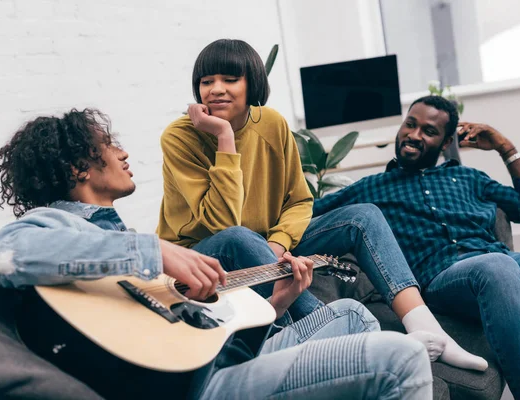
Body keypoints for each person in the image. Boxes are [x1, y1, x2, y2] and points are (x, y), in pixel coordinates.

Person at [0, 108, 433, 399]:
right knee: (402, 358)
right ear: (79, 166)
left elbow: (203, 337)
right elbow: (7, 254)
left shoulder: (116, 256)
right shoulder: (57, 225)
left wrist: (278, 303)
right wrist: (156, 250)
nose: (122, 152)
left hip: (208, 363)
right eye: (108, 144)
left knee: (351, 313)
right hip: (194, 389)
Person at [157, 38, 487, 371]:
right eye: (206, 81)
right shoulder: (179, 137)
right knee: (240, 237)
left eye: (230, 80)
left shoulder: (271, 124)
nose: (216, 89)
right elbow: (222, 223)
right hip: (204, 257)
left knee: (363, 217)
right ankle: (345, 336)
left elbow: (300, 200)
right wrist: (224, 139)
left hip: (267, 243)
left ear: (251, 83)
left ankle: (427, 329)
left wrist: (278, 242)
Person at [313, 94, 520, 400]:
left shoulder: (469, 178)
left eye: (428, 131)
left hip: (504, 266)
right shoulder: (369, 188)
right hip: (444, 280)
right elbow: (308, 215)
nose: (413, 135)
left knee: (501, 266)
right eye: (410, 125)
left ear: (446, 143)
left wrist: (504, 146)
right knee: (497, 267)